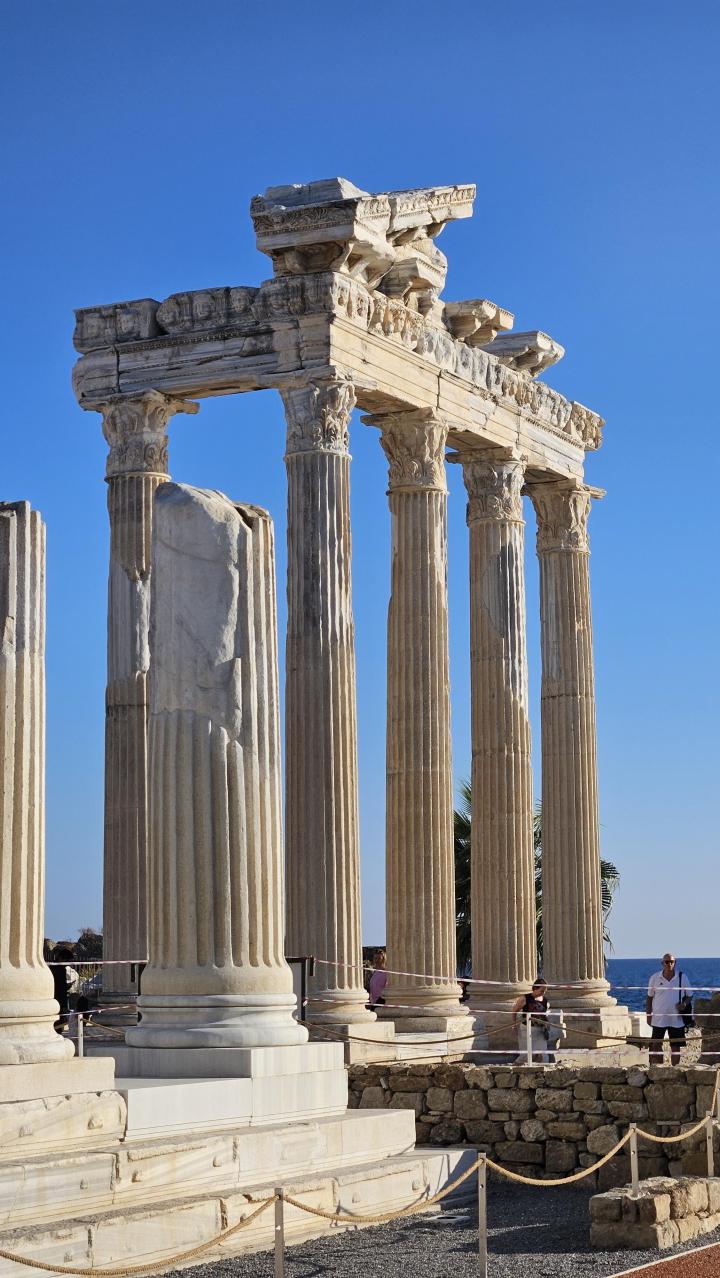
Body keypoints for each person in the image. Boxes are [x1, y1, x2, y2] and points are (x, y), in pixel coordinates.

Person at [646, 952, 691, 1065]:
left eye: (672, 962)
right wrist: (648, 1015)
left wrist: (684, 1004)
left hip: (676, 1019)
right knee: (656, 1044)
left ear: (675, 963)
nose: (669, 964)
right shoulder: (655, 978)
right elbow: (649, 998)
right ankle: (659, 1069)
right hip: (659, 1018)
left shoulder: (682, 977)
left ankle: (675, 1070)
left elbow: (690, 995)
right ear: (662, 963)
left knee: (675, 1046)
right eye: (667, 962)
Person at [512, 978, 552, 1063]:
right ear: (535, 988)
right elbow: (514, 1011)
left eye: (545, 991)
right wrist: (514, 1025)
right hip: (526, 1030)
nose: (543, 993)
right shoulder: (524, 999)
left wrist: (547, 1024)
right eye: (542, 991)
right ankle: (516, 1069)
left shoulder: (545, 1001)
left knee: (544, 1056)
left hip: (540, 1031)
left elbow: (544, 1014)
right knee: (525, 1056)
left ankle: (543, 1070)